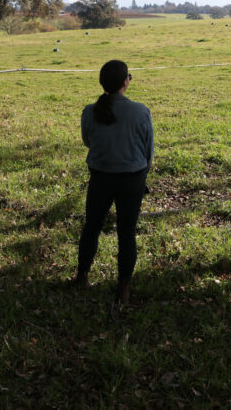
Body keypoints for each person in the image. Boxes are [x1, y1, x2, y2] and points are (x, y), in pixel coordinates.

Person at [72, 59, 154, 305]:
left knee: (92, 227)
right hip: (132, 179)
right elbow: (148, 150)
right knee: (126, 233)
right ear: (125, 81)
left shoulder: (90, 111)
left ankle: (82, 276)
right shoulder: (141, 111)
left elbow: (88, 141)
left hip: (100, 178)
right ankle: (124, 287)